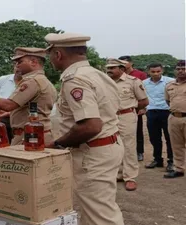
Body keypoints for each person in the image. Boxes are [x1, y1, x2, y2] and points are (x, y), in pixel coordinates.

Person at [44, 32, 124, 225]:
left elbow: (90, 125)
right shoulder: (97, 74)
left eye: (51, 56)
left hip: (92, 152)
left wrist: (57, 143)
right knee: (97, 208)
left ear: (58, 54)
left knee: (100, 214)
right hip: (108, 145)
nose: (51, 61)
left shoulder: (75, 80)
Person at [106, 58, 149, 191]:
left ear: (122, 69)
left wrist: (130, 109)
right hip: (109, 117)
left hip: (126, 116)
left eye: (112, 68)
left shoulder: (133, 82)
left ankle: (130, 177)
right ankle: (118, 174)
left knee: (128, 146)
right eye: (108, 68)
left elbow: (144, 101)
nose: (109, 70)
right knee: (112, 145)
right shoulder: (105, 82)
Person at [143, 63, 175, 171]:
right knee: (154, 137)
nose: (155, 74)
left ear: (162, 71)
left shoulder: (170, 81)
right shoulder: (144, 83)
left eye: (158, 71)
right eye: (153, 72)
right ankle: (157, 159)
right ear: (148, 72)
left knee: (169, 137)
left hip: (166, 111)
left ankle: (171, 161)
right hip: (151, 112)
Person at [119, 56, 148, 161]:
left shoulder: (140, 75)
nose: (123, 64)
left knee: (138, 131)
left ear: (131, 63)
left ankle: (139, 152)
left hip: (136, 107)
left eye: (125, 62)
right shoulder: (118, 75)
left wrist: (143, 107)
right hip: (122, 108)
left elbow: (145, 92)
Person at [164, 60, 186, 179]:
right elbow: (168, 101)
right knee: (177, 145)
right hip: (174, 118)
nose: (181, 71)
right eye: (178, 69)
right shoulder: (169, 85)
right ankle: (179, 169)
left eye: (183, 68)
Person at [0, 68, 22, 143]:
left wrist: (10, 112)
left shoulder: (31, 82)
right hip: (2, 121)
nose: (19, 68)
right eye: (16, 64)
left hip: (20, 122)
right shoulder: (3, 79)